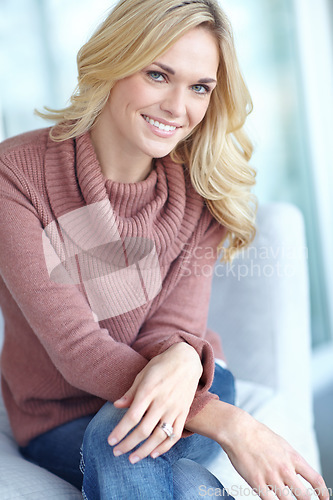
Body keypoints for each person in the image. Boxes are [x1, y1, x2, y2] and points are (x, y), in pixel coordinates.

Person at [0, 0, 328, 498]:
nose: (179, 107)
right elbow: (75, 347)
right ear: (113, 63)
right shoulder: (17, 177)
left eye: (200, 87)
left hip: (189, 383)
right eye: (158, 75)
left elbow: (171, 328)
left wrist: (183, 358)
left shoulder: (200, 190)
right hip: (58, 417)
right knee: (142, 454)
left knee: (124, 435)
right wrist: (231, 423)